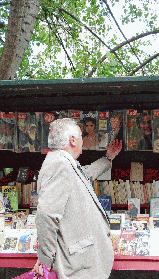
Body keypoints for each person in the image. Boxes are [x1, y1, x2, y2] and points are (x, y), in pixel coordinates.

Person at [34, 118, 122, 279]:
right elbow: (46, 214)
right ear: (73, 140)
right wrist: (46, 260)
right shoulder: (59, 164)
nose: (83, 141)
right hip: (76, 266)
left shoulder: (64, 162)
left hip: (80, 262)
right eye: (81, 136)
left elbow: (84, 175)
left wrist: (108, 158)